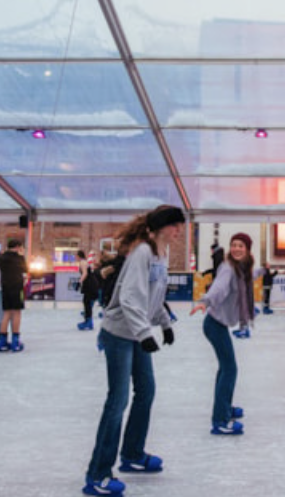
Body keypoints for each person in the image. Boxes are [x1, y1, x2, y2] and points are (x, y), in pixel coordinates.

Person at [84, 205, 185, 496]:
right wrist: (144, 333)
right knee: (117, 400)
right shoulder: (142, 251)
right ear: (160, 227)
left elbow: (154, 295)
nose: (178, 231)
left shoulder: (160, 253)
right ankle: (97, 473)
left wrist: (164, 323)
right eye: (174, 225)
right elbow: (129, 296)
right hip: (119, 332)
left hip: (137, 332)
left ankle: (132, 454)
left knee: (147, 391)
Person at [191, 233, 255, 435]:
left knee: (226, 368)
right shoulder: (228, 268)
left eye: (241, 246)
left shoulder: (242, 269)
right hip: (214, 324)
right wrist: (205, 301)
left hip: (218, 324)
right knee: (230, 369)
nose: (236, 248)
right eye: (234, 245)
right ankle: (220, 419)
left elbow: (251, 276)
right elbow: (218, 288)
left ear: (247, 249)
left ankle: (224, 406)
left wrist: (265, 269)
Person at [0, 239, 27, 353]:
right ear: (18, 246)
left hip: (5, 288)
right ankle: (15, 341)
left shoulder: (1, 258)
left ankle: (2, 341)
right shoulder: (20, 258)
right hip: (17, 287)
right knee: (16, 312)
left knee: (6, 313)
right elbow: (25, 274)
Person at [78, 249, 100, 331]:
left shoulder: (82, 262)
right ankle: (88, 320)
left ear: (78, 256)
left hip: (90, 284)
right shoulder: (85, 262)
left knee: (87, 302)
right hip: (90, 283)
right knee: (87, 302)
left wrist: (79, 281)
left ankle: (88, 321)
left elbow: (85, 273)